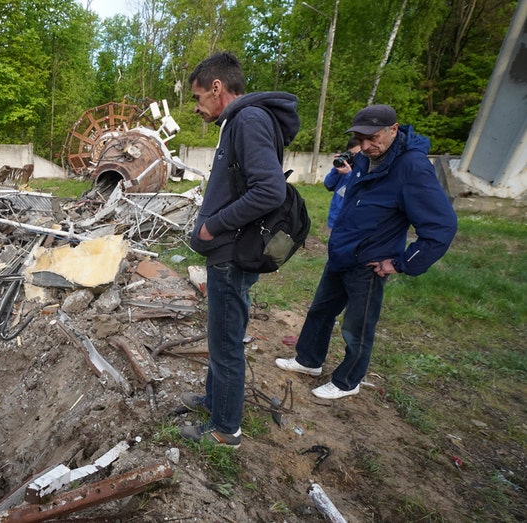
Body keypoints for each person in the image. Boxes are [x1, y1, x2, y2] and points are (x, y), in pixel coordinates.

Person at [275, 105, 457, 399]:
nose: (366, 145)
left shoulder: (412, 167)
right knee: (320, 311)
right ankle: (309, 360)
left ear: (393, 129)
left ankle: (348, 381)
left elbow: (442, 225)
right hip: (342, 254)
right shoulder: (365, 157)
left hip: (370, 262)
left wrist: (402, 263)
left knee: (357, 326)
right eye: (360, 138)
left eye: (373, 138)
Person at [179, 52, 301, 447]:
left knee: (227, 342)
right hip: (230, 250)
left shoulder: (248, 120)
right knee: (221, 336)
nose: (197, 108)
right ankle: (215, 401)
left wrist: (213, 225)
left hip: (232, 251)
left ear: (217, 88)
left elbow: (269, 189)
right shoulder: (242, 121)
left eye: (198, 98)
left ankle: (225, 429)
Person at [323, 137, 361, 230]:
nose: (354, 158)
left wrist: (348, 175)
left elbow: (356, 191)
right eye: (351, 154)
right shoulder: (344, 168)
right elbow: (328, 184)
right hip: (335, 220)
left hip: (352, 223)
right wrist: (336, 169)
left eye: (357, 154)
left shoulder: (364, 170)